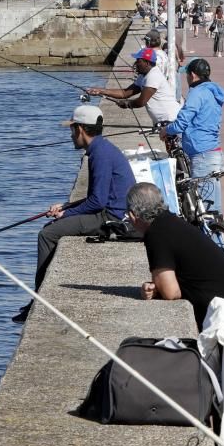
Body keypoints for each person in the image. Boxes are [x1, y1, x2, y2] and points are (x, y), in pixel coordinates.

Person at [13, 104, 137, 323]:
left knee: (47, 234)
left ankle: (39, 298)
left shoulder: (99, 154)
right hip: (110, 210)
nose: (71, 135)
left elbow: (97, 202)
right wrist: (66, 207)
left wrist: (66, 215)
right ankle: (40, 293)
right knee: (51, 229)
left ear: (80, 129)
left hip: (113, 217)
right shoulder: (102, 148)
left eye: (72, 130)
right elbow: (95, 197)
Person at [126, 182, 224, 362]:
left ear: (133, 216)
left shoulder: (156, 234)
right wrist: (157, 287)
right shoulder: (171, 221)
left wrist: (158, 287)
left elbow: (171, 293)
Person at [160, 58, 224, 213]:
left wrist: (166, 130)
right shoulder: (212, 92)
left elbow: (182, 121)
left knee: (206, 210)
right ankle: (218, 234)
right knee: (213, 207)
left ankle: (213, 236)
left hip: (202, 154)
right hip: (213, 151)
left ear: (193, 75)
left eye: (187, 75)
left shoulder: (198, 93)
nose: (187, 79)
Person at [85, 45, 181, 126]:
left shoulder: (153, 76)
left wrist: (127, 104)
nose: (135, 64)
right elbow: (124, 93)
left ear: (147, 63)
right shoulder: (143, 76)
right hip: (164, 121)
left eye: (138, 61)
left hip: (171, 119)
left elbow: (141, 101)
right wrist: (100, 91)